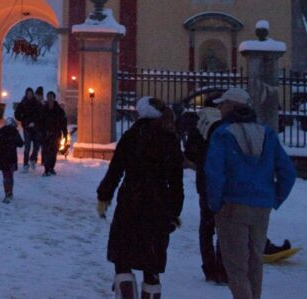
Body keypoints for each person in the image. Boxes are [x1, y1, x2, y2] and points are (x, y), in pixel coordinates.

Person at [206, 87, 296, 299]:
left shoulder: (222, 134)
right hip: (261, 206)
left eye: (223, 103)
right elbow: (288, 172)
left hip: (232, 205)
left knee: (236, 266)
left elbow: (214, 172)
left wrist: (215, 203)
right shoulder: (267, 133)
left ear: (232, 106)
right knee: (255, 261)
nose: (219, 107)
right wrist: (274, 198)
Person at [97, 97, 183, 299]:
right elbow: (176, 182)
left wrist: (104, 196)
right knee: (151, 266)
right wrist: (173, 212)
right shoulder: (170, 139)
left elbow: (115, 170)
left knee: (123, 261)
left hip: (131, 204)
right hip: (159, 207)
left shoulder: (132, 136)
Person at [184, 98, 229, 284]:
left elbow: (189, 154)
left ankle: (209, 268)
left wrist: (200, 163)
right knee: (224, 227)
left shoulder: (199, 125)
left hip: (204, 182)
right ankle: (223, 267)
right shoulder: (225, 126)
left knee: (206, 227)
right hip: (225, 182)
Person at [0, 116, 24, 203]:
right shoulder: (15, 133)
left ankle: (7, 193)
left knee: (5, 176)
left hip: (3, 158)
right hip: (12, 158)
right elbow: (21, 144)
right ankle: (10, 192)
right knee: (10, 176)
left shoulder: (1, 133)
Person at [39, 91, 68, 176]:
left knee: (54, 151)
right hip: (45, 134)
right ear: (47, 98)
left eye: (51, 97)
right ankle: (46, 169)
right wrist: (41, 132)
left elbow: (63, 123)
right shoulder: (43, 109)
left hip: (56, 133)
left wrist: (65, 134)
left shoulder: (59, 110)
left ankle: (51, 167)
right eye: (48, 97)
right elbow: (39, 122)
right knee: (46, 151)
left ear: (54, 98)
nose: (50, 99)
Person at [14, 87, 41, 170]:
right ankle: (25, 164)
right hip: (27, 128)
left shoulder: (37, 103)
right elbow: (17, 114)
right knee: (27, 147)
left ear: (32, 94)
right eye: (28, 94)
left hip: (36, 127)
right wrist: (23, 118)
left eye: (31, 93)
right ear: (26, 94)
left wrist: (35, 122)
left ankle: (33, 158)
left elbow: (40, 114)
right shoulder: (23, 103)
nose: (29, 95)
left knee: (37, 146)